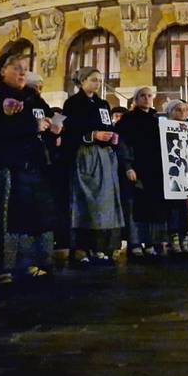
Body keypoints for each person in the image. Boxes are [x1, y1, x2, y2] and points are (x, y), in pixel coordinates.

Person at [0, 53, 55, 284]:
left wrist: (51, 125)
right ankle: (4, 267)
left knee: (32, 216)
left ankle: (29, 262)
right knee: (7, 217)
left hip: (33, 164)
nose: (23, 72)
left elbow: (46, 117)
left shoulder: (31, 97)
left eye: (25, 68)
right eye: (16, 67)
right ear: (2, 71)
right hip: (7, 165)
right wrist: (32, 125)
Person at [61, 67, 124, 265]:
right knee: (85, 201)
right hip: (86, 155)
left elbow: (107, 125)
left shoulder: (103, 104)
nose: (97, 83)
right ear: (82, 81)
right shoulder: (73, 103)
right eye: (93, 79)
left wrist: (111, 136)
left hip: (105, 156)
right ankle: (81, 248)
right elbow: (70, 131)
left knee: (104, 203)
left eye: (99, 80)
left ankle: (100, 247)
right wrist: (92, 135)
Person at [115, 87, 167, 259]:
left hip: (154, 171)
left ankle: (151, 242)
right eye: (142, 96)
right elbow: (123, 144)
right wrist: (128, 166)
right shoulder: (127, 120)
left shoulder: (156, 119)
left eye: (149, 96)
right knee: (134, 208)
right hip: (135, 169)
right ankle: (135, 243)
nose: (146, 98)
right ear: (136, 99)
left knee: (152, 207)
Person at [163, 99, 188, 253]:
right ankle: (174, 237)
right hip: (172, 170)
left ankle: (186, 237)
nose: (182, 113)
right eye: (178, 110)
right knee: (174, 207)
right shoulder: (164, 128)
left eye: (185, 109)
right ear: (170, 111)